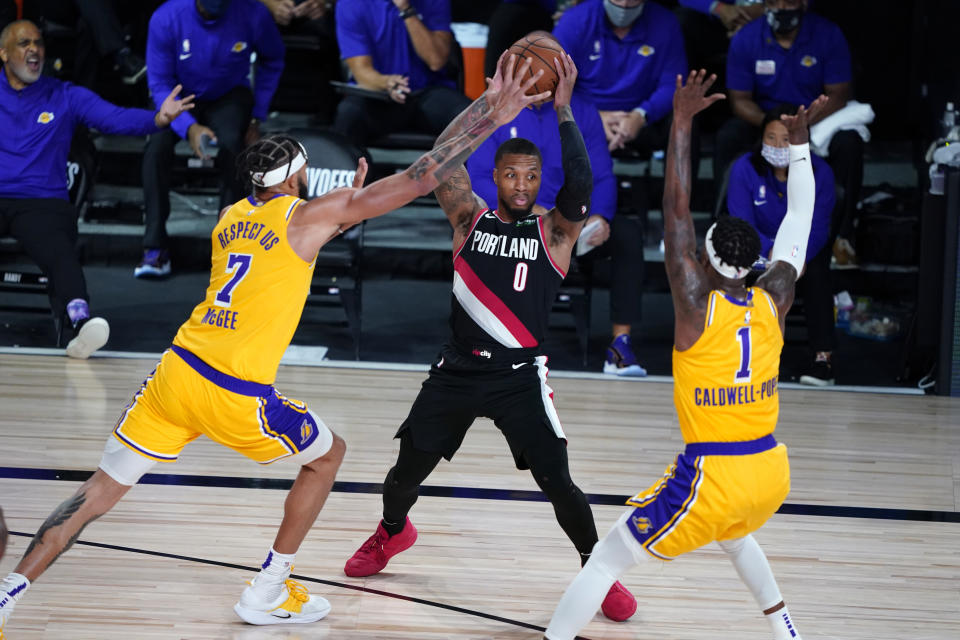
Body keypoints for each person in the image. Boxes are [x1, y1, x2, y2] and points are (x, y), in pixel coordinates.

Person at [0, 54, 547, 631]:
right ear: (296, 177)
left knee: (95, 495)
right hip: (232, 390)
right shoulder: (306, 213)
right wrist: (493, 111)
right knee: (328, 455)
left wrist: (345, 212)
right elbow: (419, 179)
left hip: (174, 375)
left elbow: (284, 250)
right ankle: (268, 587)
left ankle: (9, 593)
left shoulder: (230, 218)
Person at [342, 52, 638, 623]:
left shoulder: (555, 233)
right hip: (456, 369)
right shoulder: (467, 220)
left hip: (519, 376)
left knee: (559, 481)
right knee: (404, 473)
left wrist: (565, 110)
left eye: (531, 176)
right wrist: (489, 109)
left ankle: (597, 569)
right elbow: (438, 160)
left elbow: (581, 180)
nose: (522, 184)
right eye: (511, 174)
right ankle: (392, 533)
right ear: (495, 177)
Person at [542, 71, 824, 640]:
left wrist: (682, 120)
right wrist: (798, 149)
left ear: (708, 258)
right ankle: (784, 627)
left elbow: (676, 210)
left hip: (714, 473)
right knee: (735, 531)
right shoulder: (775, 296)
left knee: (605, 558)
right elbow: (799, 219)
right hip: (770, 469)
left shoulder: (696, 304)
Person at [0, 19, 194, 359]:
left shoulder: (64, 95)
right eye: (23, 43)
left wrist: (159, 119)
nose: (34, 49)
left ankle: (81, 325)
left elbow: (113, 117)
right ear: (4, 53)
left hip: (40, 201)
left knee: (59, 250)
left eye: (38, 43)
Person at [466, 89, 647, 375]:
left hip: (573, 222)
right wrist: (528, 210)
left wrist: (597, 216)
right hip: (518, 218)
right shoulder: (497, 108)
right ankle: (499, 345)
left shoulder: (583, 110)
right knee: (494, 233)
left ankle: (619, 345)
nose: (539, 75)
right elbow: (477, 178)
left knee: (627, 235)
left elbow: (601, 175)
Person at [137, 0, 285, 279]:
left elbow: (273, 58)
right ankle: (154, 247)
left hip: (228, 95)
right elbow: (158, 84)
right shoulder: (166, 18)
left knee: (233, 145)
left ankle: (229, 248)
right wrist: (189, 128)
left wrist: (257, 116)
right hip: (178, 95)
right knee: (156, 147)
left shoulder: (253, 14)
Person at [718, 0, 862, 265]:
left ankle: (843, 237)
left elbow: (839, 94)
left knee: (849, 143)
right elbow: (739, 100)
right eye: (774, 1)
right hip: (766, 121)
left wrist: (804, 123)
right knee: (729, 137)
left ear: (805, 3)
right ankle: (725, 235)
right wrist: (774, 125)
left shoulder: (828, 35)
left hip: (815, 119)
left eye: (789, 0)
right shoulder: (747, 39)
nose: (782, 7)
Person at [727, 104, 837, 385]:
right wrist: (769, 252)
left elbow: (819, 227)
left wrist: (793, 258)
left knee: (819, 274)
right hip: (757, 249)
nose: (778, 145)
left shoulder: (820, 172)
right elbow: (741, 221)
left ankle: (822, 358)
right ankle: (735, 354)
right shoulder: (744, 168)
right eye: (771, 138)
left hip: (801, 252)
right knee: (730, 267)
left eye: (786, 139)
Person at [333, 0, 472, 146]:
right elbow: (361, 71)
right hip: (380, 95)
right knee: (349, 114)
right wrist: (386, 82)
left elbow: (435, 61)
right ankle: (357, 168)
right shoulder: (351, 4)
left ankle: (471, 169)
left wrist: (406, 9)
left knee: (472, 117)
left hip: (427, 92)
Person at [24, 0, 146, 88]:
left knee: (88, 25)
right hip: (59, 8)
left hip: (101, 8)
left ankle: (82, 99)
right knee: (92, 21)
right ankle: (121, 54)